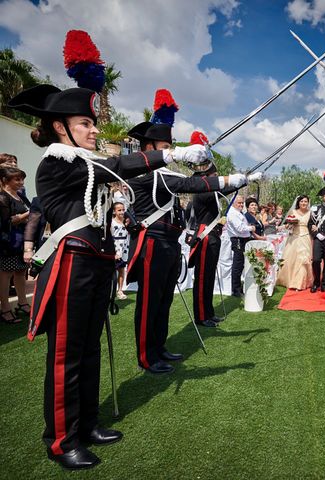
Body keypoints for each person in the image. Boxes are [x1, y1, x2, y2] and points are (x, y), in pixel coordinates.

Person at [8, 81, 209, 470]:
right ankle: (61, 439)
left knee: (89, 349)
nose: (95, 129)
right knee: (66, 355)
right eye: (85, 123)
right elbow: (114, 165)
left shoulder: (82, 161)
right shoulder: (57, 161)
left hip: (95, 262)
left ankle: (87, 423)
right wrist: (174, 154)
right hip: (71, 263)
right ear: (59, 128)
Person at [126, 90, 250, 375]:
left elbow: (197, 181)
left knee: (165, 299)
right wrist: (229, 179)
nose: (169, 151)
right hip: (151, 243)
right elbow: (195, 185)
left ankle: (159, 347)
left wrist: (233, 180)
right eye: (164, 145)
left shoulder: (166, 174)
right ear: (148, 148)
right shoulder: (145, 173)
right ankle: (146, 355)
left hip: (169, 242)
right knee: (149, 302)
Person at [186, 131, 244, 328]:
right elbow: (221, 190)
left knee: (209, 277)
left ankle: (208, 312)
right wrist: (239, 181)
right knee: (203, 278)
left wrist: (242, 180)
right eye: (214, 176)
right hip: (205, 236)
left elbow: (221, 191)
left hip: (213, 236)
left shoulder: (209, 190)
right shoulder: (202, 189)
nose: (217, 177)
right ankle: (201, 316)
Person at [0, 167, 30, 323]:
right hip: (8, 242)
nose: (21, 182)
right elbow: (7, 222)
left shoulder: (19, 196)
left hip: (21, 240)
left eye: (22, 179)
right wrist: (28, 214)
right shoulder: (2, 197)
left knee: (20, 272)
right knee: (6, 274)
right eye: (17, 179)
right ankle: (5, 308)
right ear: (5, 181)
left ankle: (22, 302)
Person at [277, 195, 313, 290]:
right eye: (302, 201)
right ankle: (290, 279)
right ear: (298, 202)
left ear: (308, 203)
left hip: (305, 237)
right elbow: (288, 224)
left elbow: (312, 225)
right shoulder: (293, 212)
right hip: (294, 237)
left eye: (305, 201)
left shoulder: (310, 213)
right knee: (291, 259)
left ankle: (300, 283)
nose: (303, 203)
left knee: (303, 259)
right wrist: (288, 225)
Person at [226, 194, 255, 297]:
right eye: (239, 202)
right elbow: (240, 228)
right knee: (238, 265)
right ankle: (236, 290)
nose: (241, 204)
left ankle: (238, 287)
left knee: (241, 264)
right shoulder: (233, 213)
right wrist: (251, 228)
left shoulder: (238, 212)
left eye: (242, 202)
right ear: (233, 203)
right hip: (238, 240)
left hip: (243, 239)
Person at [110, 202, 129, 300]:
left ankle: (120, 290)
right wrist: (113, 252)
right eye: (119, 210)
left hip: (124, 249)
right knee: (111, 271)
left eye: (123, 210)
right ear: (114, 211)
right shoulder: (112, 223)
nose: (122, 212)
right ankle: (110, 291)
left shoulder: (127, 222)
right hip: (115, 249)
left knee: (122, 270)